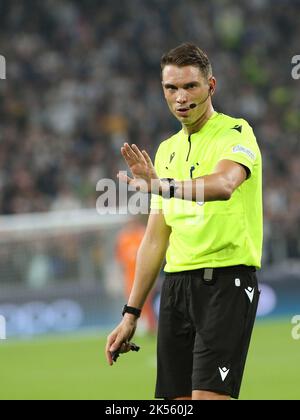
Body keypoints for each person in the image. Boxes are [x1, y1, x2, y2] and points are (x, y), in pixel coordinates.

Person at [105, 43, 263, 401]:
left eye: (190, 86)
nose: (180, 97)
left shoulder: (236, 133)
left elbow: (224, 185)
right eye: (170, 88)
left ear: (211, 86)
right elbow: (155, 239)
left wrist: (161, 185)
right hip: (175, 291)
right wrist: (131, 313)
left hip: (225, 283)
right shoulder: (166, 150)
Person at [115, 216, 157, 334]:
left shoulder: (143, 233)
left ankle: (150, 325)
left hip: (144, 273)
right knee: (131, 300)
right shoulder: (122, 237)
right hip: (129, 276)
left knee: (147, 300)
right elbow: (120, 259)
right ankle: (137, 324)